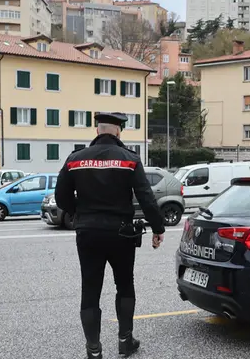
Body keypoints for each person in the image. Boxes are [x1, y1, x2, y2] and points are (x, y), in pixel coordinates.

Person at [54, 112, 167, 359]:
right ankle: (125, 341)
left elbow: (61, 198)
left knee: (90, 290)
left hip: (88, 233)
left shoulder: (75, 159)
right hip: (121, 233)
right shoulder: (129, 159)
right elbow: (146, 197)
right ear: (118, 132)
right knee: (125, 285)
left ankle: (93, 350)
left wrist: (81, 213)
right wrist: (158, 228)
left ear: (97, 131)